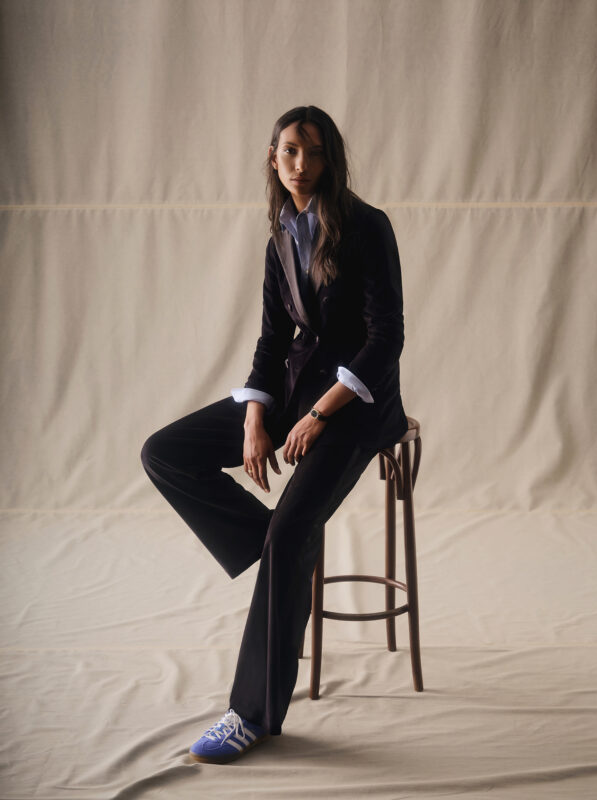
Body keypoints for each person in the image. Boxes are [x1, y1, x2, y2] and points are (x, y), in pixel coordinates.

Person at [140, 105, 409, 764]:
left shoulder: (368, 226)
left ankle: (251, 716)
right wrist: (256, 415)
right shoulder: (280, 236)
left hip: (355, 406)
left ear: (330, 159)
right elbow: (271, 340)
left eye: (313, 152)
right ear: (273, 156)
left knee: (293, 533)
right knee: (165, 453)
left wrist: (320, 415)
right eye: (290, 150)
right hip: (291, 394)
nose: (301, 164)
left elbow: (387, 337)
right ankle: (273, 543)